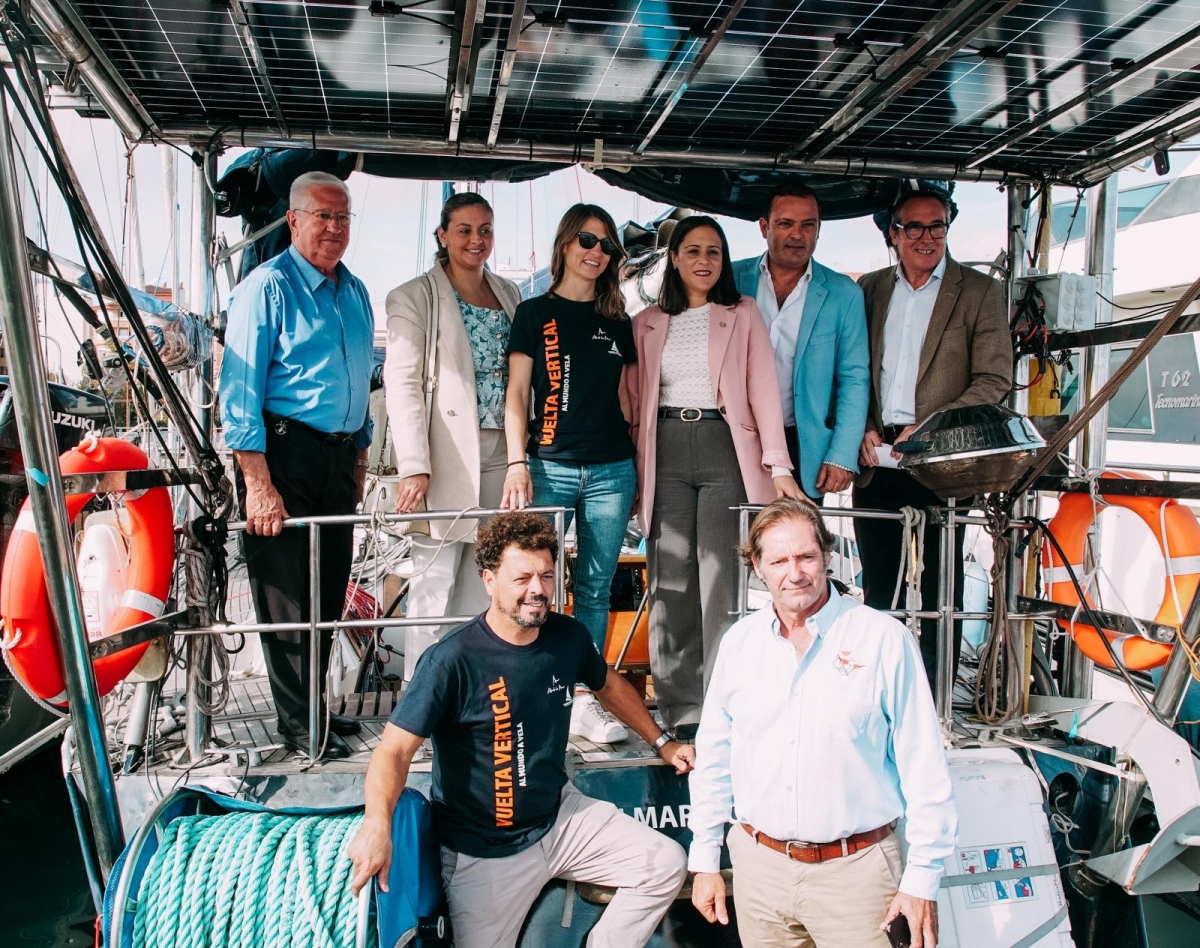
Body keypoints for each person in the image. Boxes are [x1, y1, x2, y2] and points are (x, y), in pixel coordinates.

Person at [347, 512, 694, 948]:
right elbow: (393, 752)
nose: (538, 589)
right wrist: (377, 824)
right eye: (523, 577)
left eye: (547, 575)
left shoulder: (567, 636)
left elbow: (609, 685)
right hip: (483, 853)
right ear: (489, 580)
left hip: (560, 820)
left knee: (664, 863)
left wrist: (661, 742)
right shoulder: (450, 661)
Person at [688, 498, 956, 948]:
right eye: (778, 560)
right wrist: (705, 861)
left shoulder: (885, 640)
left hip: (859, 876)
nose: (795, 573)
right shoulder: (738, 644)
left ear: (827, 556)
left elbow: (924, 769)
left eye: (806, 557)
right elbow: (714, 757)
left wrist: (922, 880)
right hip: (760, 873)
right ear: (757, 566)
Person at [220, 170, 375, 760]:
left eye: (343, 218)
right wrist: (258, 486)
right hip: (282, 453)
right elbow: (240, 392)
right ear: (293, 220)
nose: (334, 228)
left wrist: (359, 461)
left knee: (329, 590)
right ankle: (297, 724)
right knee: (288, 597)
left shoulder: (355, 291)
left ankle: (318, 711)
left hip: (338, 457)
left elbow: (360, 380)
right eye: (322, 217)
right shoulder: (267, 287)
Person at [627, 215, 802, 730]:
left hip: (724, 447)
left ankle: (722, 706)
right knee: (670, 580)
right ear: (674, 259)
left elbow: (764, 391)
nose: (704, 261)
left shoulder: (742, 313)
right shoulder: (648, 322)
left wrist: (779, 466)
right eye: (693, 251)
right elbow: (636, 403)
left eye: (714, 252)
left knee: (719, 583)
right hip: (665, 448)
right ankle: (682, 710)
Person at [854, 188, 1012, 686]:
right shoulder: (871, 289)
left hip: (942, 462)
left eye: (937, 226)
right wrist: (860, 423)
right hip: (876, 458)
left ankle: (935, 696)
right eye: (914, 227)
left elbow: (994, 380)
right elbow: (852, 370)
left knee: (942, 585)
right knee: (880, 585)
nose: (927, 237)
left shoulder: (980, 292)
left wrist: (934, 425)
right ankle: (881, 692)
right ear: (893, 233)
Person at [501, 204, 637, 744]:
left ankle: (584, 698)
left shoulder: (619, 322)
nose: (596, 251)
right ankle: (539, 690)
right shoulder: (533, 313)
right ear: (564, 243)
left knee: (596, 588)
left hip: (612, 469)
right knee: (538, 585)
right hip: (549, 465)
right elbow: (516, 394)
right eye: (586, 239)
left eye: (606, 245)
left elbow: (628, 400)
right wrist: (517, 461)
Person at [383, 192, 523, 680]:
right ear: (442, 235)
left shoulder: (509, 293)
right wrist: (414, 467)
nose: (476, 239)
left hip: (502, 452)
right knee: (433, 580)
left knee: (480, 579)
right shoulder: (413, 295)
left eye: (485, 229)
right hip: (445, 455)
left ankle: (466, 689)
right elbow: (402, 384)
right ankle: (418, 703)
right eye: (464, 229)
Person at [731, 183, 870, 502]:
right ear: (764, 227)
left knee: (793, 547)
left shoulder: (843, 293)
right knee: (729, 542)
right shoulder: (731, 279)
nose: (798, 234)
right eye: (785, 224)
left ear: (819, 230)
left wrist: (842, 454)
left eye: (809, 225)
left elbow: (854, 379)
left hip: (803, 445)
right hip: (733, 437)